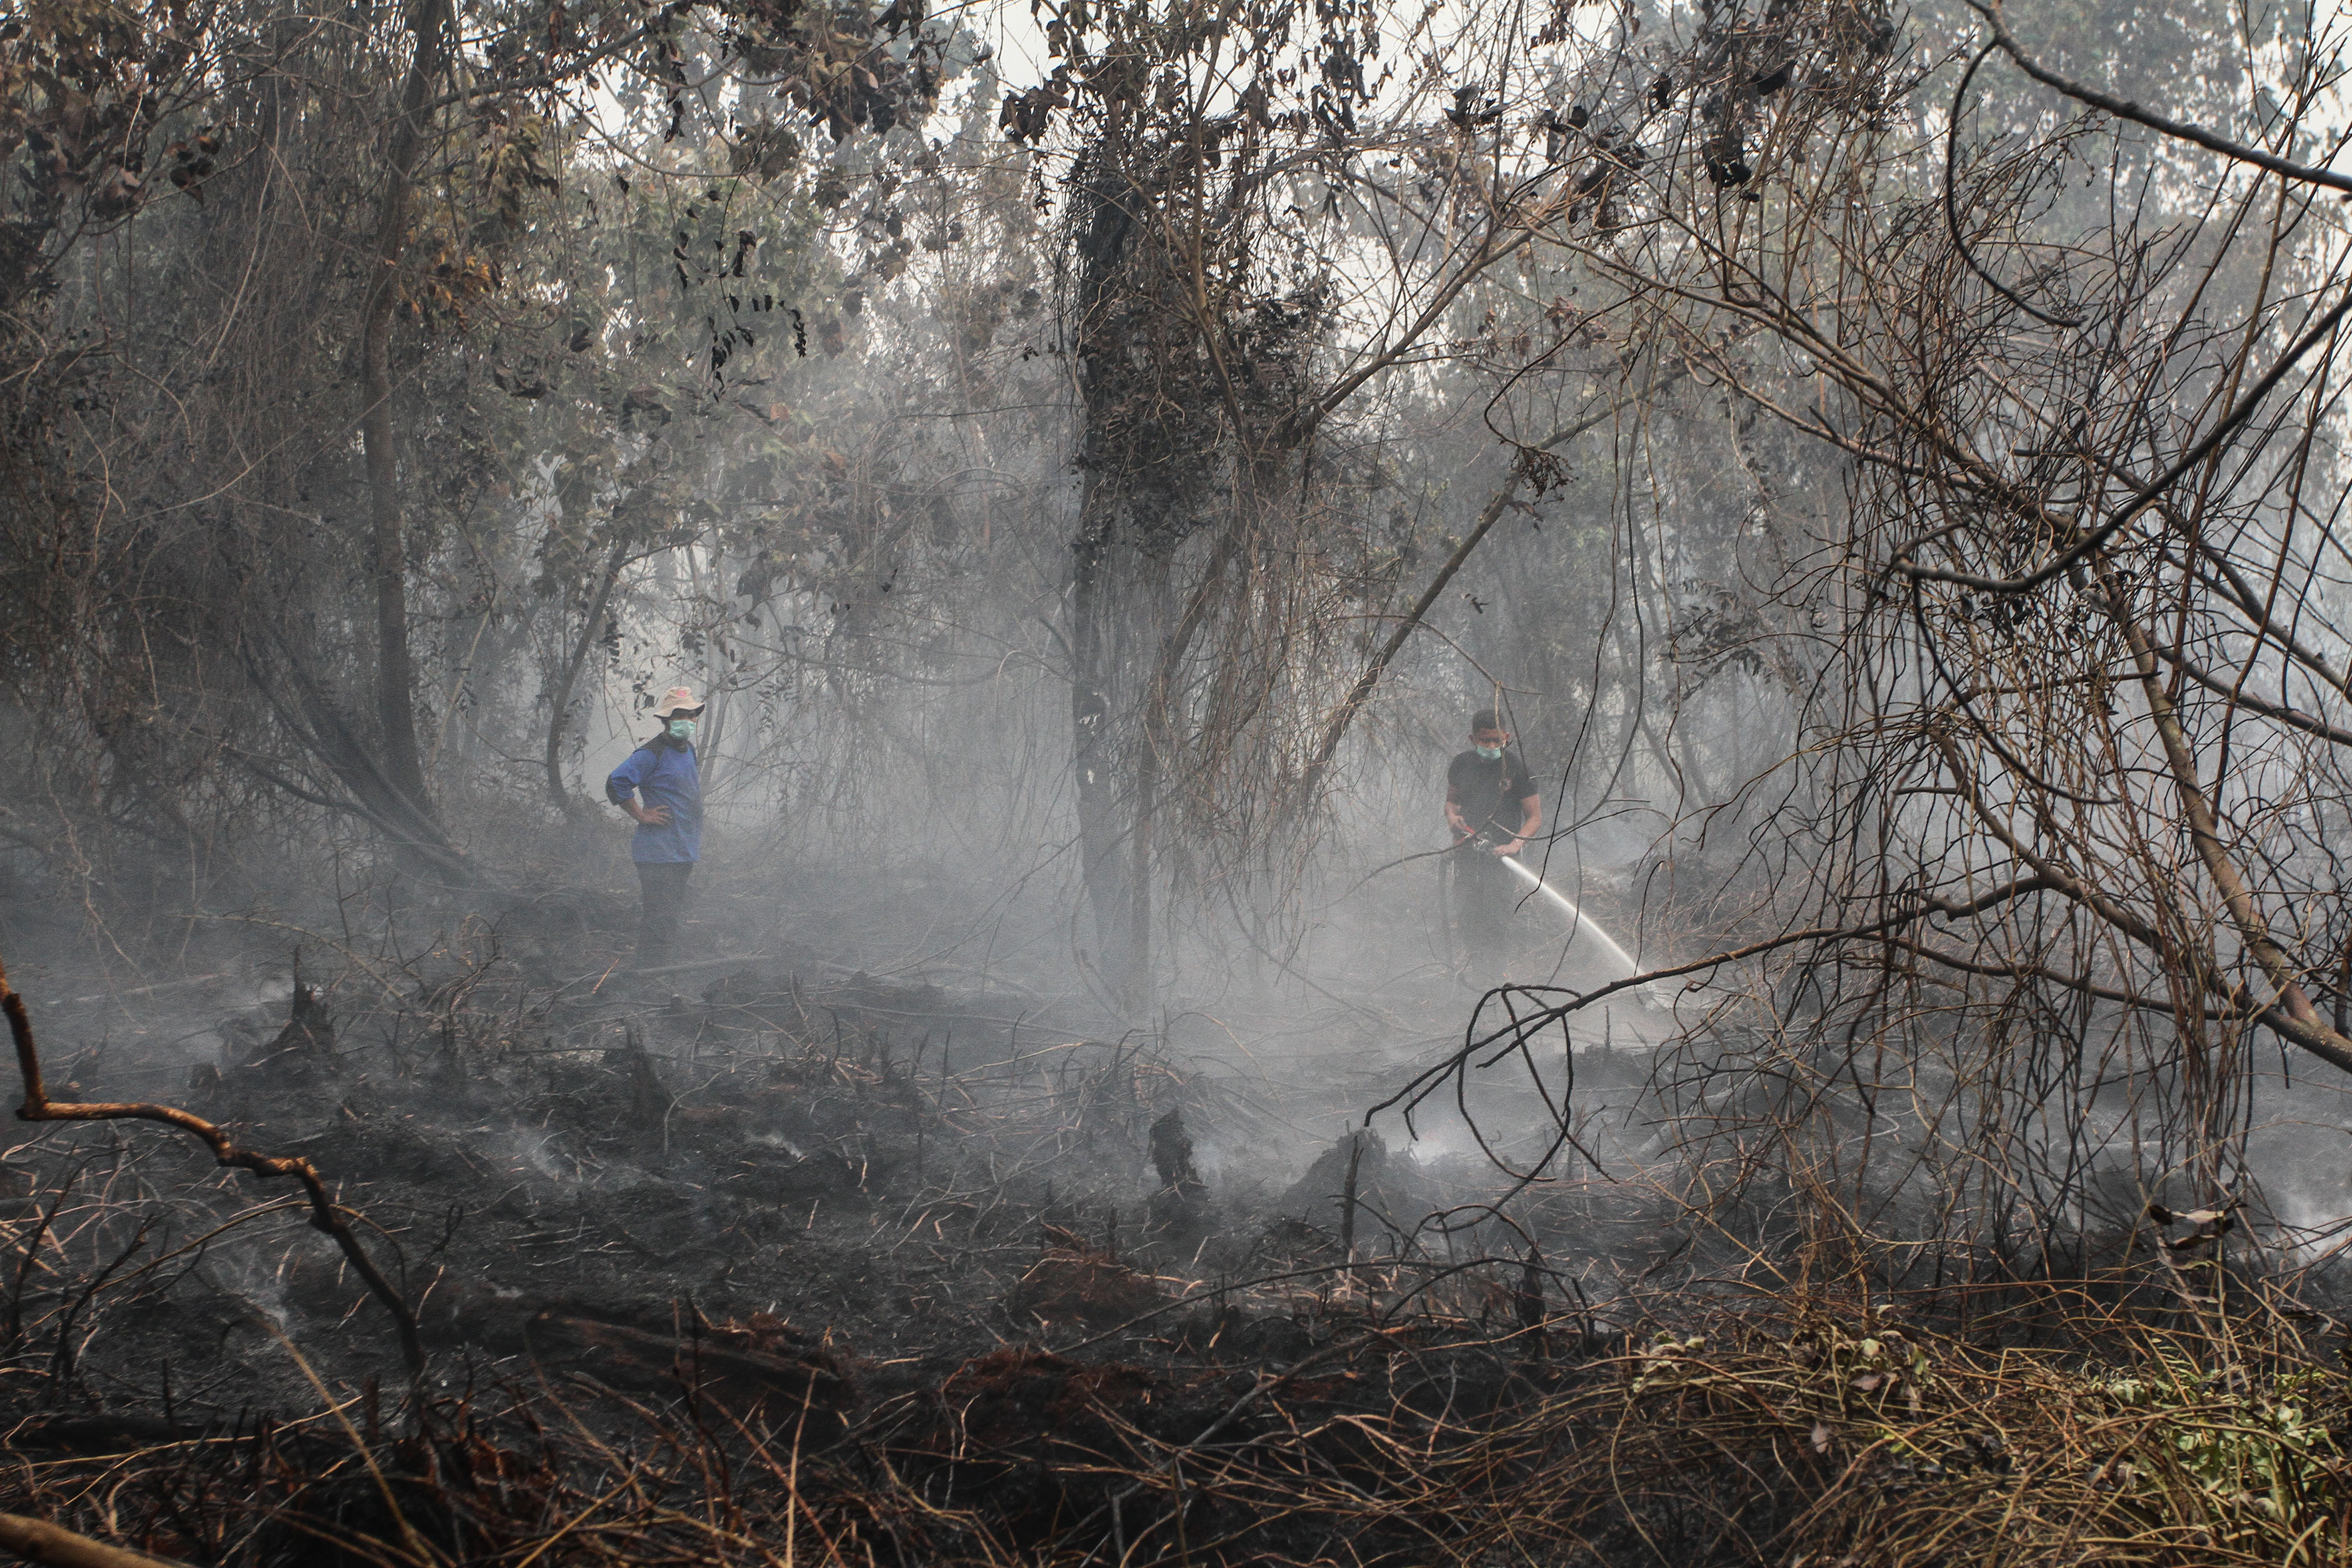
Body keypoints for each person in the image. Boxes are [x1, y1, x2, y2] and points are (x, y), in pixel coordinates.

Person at [607, 687, 704, 971]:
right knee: (658, 915)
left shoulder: (689, 751)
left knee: (670, 914)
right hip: (658, 852)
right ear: (667, 720)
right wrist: (640, 814)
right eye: (680, 715)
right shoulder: (652, 753)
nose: (687, 720)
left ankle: (661, 969)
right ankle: (648, 973)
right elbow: (616, 782)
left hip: (683, 849)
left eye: (691, 715)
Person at [1444, 708, 1542, 968]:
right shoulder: (1461, 765)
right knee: (1467, 914)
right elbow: (1452, 802)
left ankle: (1496, 976)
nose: (1490, 746)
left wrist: (1515, 844)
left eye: (1496, 741)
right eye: (1484, 740)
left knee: (1497, 918)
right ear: (1472, 739)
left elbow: (1534, 817)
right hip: (1466, 853)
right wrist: (1453, 819)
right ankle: (1472, 969)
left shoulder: (1517, 769)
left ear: (1507, 737)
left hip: (1501, 858)